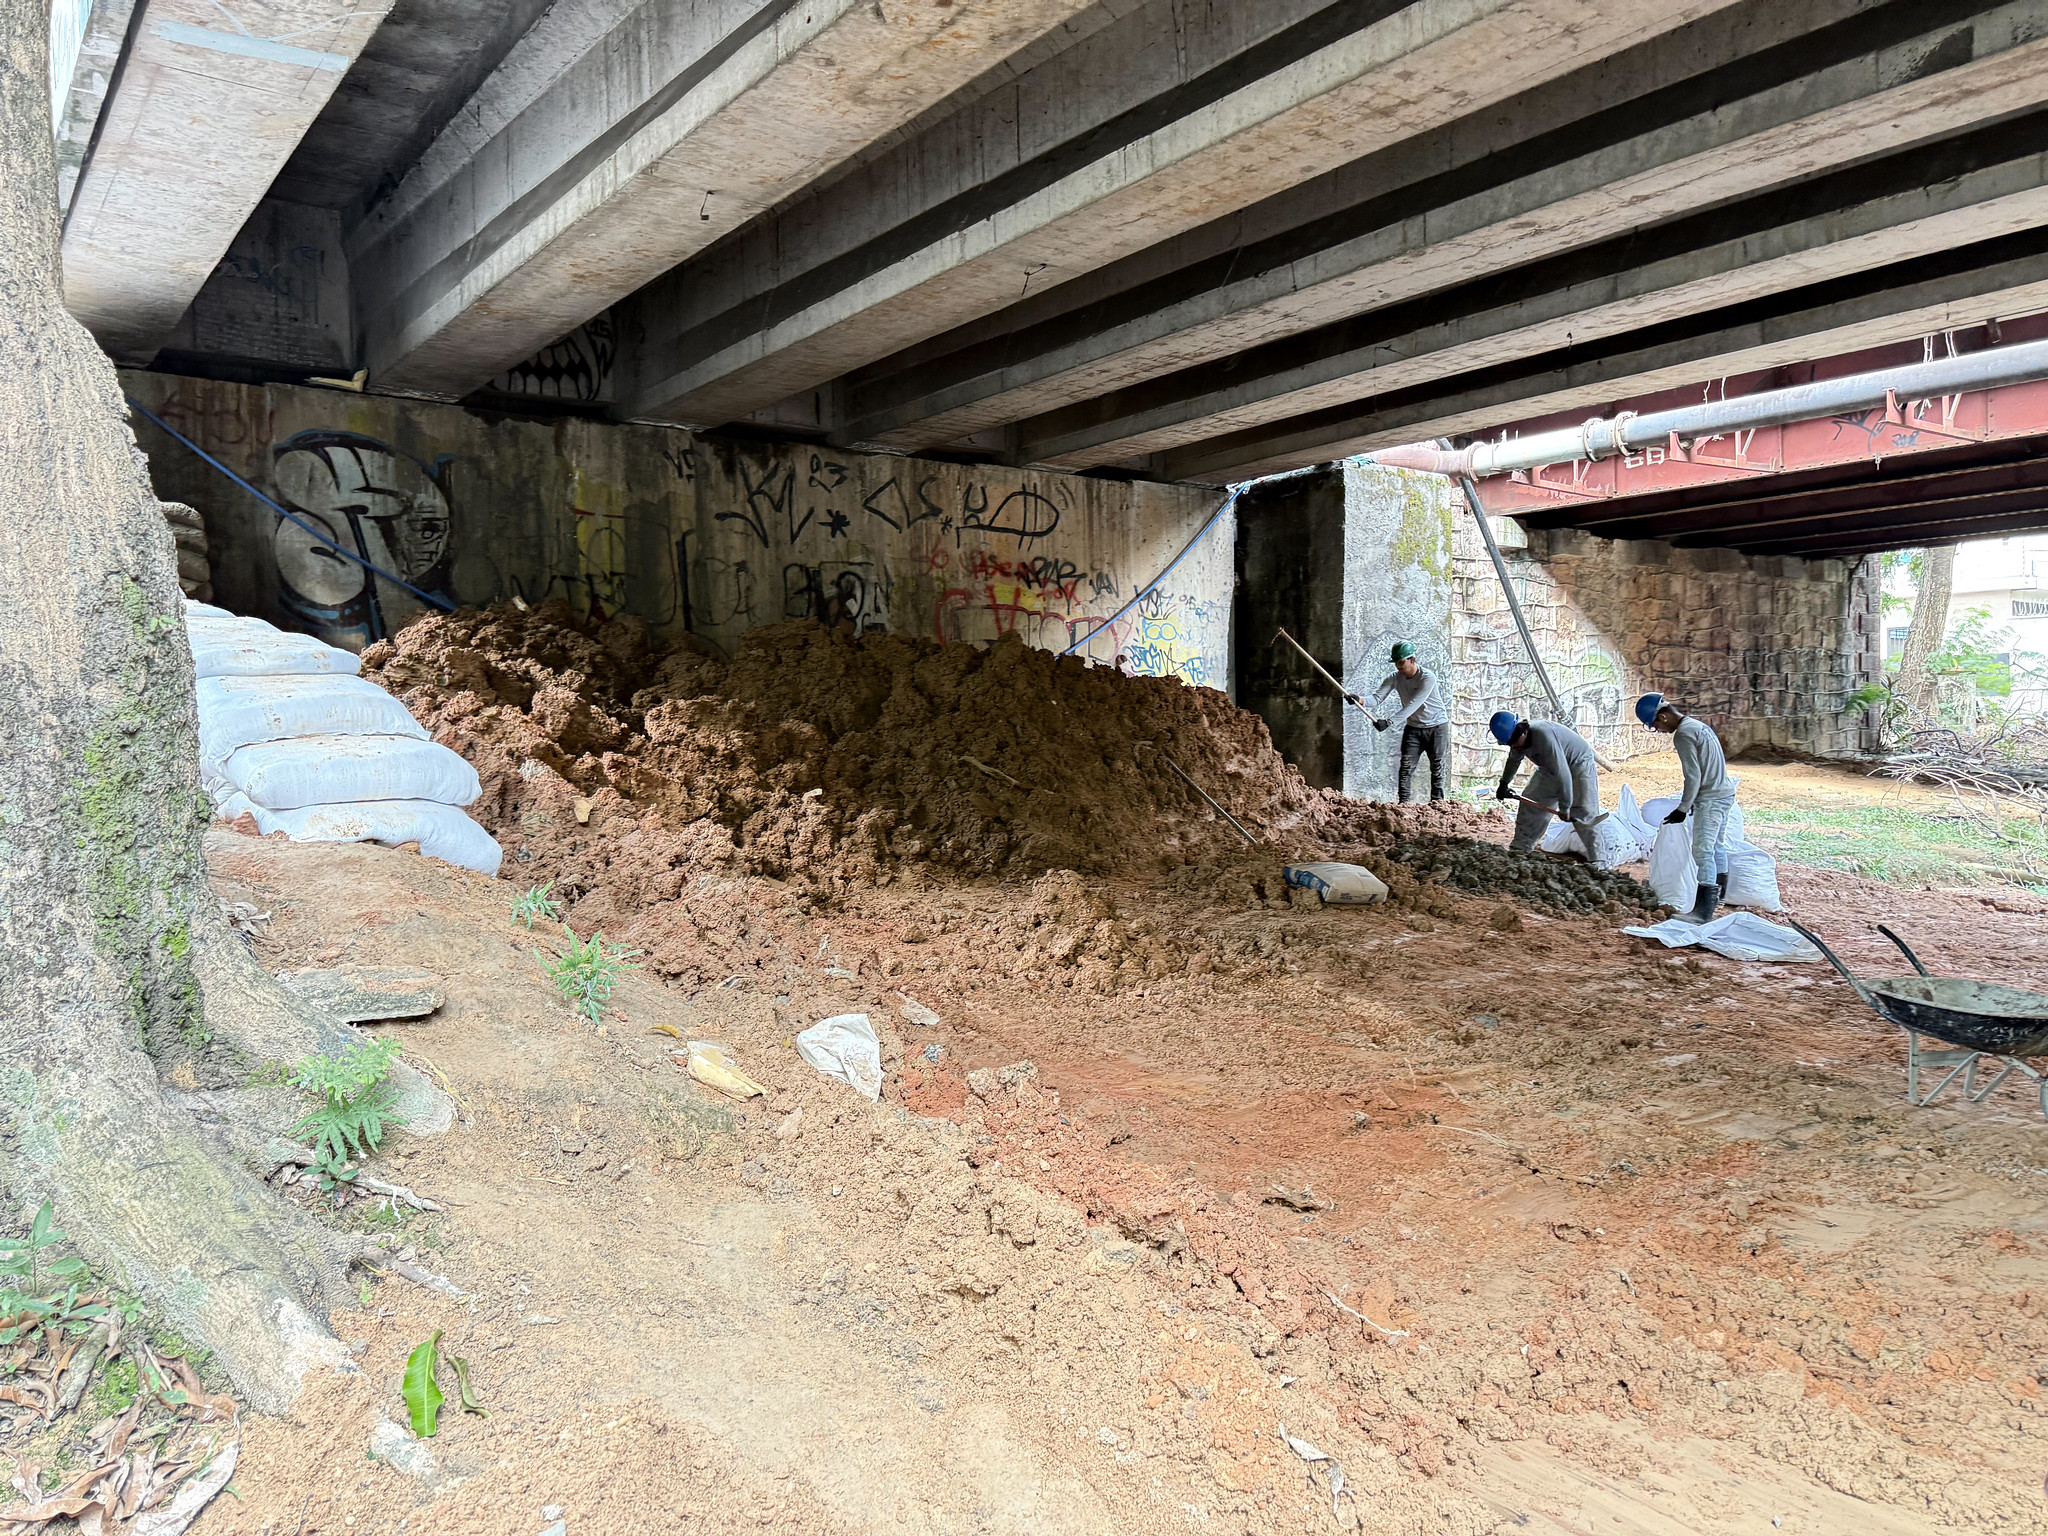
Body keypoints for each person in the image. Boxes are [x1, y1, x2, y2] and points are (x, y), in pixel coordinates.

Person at [1636, 692, 1736, 924]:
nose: (1659, 731)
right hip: (1724, 792)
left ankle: (1703, 912)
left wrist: (1683, 807)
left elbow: (1693, 776)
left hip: (1711, 798)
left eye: (1655, 726)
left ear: (1663, 717)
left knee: (1702, 851)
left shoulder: (1683, 735)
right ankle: (1719, 897)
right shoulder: (1698, 726)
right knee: (1716, 845)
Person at [1489, 711, 1605, 866]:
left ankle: (1598, 861)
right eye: (1511, 744)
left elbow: (1562, 772)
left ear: (1523, 730)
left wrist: (1565, 805)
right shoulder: (1515, 740)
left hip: (1578, 764)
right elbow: (1513, 761)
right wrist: (1504, 783)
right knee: (1531, 800)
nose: (1515, 747)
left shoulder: (1542, 735)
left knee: (1583, 811)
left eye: (1515, 742)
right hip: (1549, 767)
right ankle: (1521, 848)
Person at [1359, 641, 1449, 802]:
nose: (1398, 667)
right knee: (1406, 767)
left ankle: (1437, 805)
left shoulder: (1427, 678)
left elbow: (1414, 704)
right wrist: (1359, 700)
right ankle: (1404, 805)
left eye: (1401, 662)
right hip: (1414, 729)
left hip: (1437, 727)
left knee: (1437, 767)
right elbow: (1376, 698)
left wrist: (1389, 722)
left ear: (1412, 660)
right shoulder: (1395, 678)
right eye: (1396, 663)